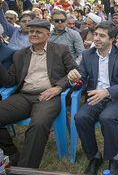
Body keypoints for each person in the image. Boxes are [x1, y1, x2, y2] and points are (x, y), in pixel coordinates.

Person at [0, 19, 78, 168]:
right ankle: (12, 154)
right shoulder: (19, 54)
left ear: (48, 35)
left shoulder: (61, 49)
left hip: (49, 96)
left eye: (38, 32)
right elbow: (10, 81)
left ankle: (25, 169)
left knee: (38, 125)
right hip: (24, 96)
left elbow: (74, 71)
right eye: (31, 31)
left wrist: (58, 88)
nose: (33, 34)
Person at [69, 21, 118, 175]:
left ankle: (113, 157)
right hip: (95, 98)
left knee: (107, 118)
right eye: (96, 34)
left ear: (112, 39)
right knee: (80, 117)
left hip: (115, 98)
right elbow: (80, 82)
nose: (96, 38)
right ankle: (94, 157)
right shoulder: (87, 54)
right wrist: (73, 80)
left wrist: (107, 91)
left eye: (102, 36)